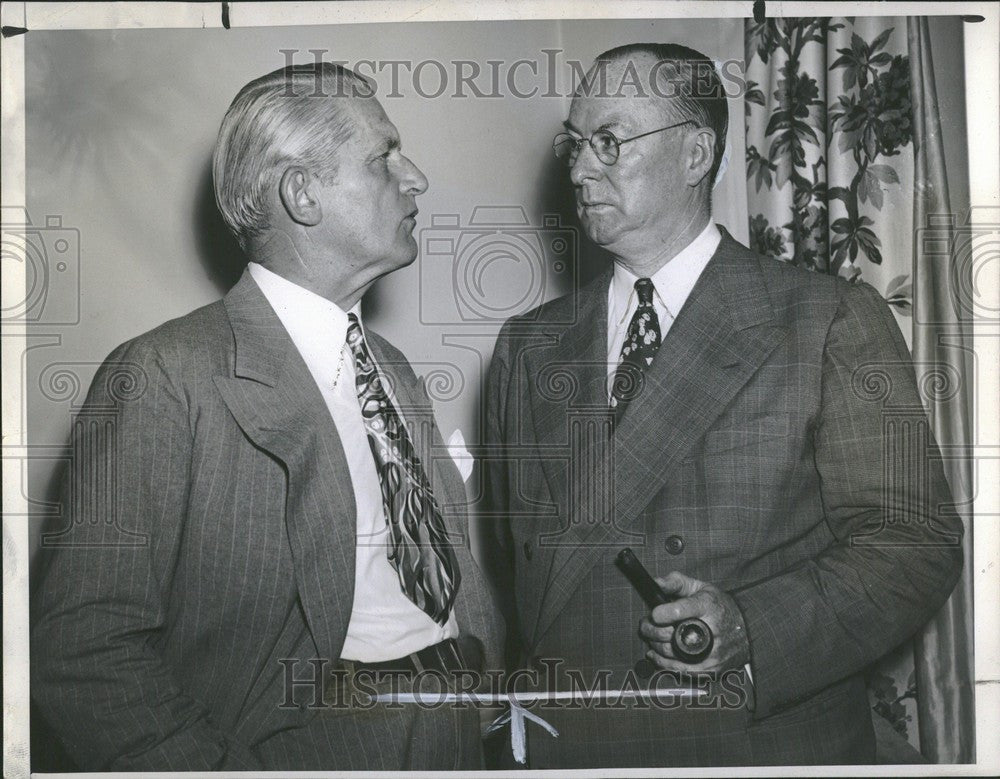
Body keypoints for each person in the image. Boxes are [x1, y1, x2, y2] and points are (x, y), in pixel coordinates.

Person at [484, 43, 963, 767]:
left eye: (610, 141)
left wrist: (752, 627)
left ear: (696, 152)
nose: (580, 169)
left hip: (751, 742)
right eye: (575, 144)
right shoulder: (526, 346)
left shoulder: (826, 318)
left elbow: (914, 543)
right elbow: (509, 575)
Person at [31, 62, 502, 772]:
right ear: (301, 192)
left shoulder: (394, 369)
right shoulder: (164, 375)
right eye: (384, 157)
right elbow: (84, 650)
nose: (416, 178)